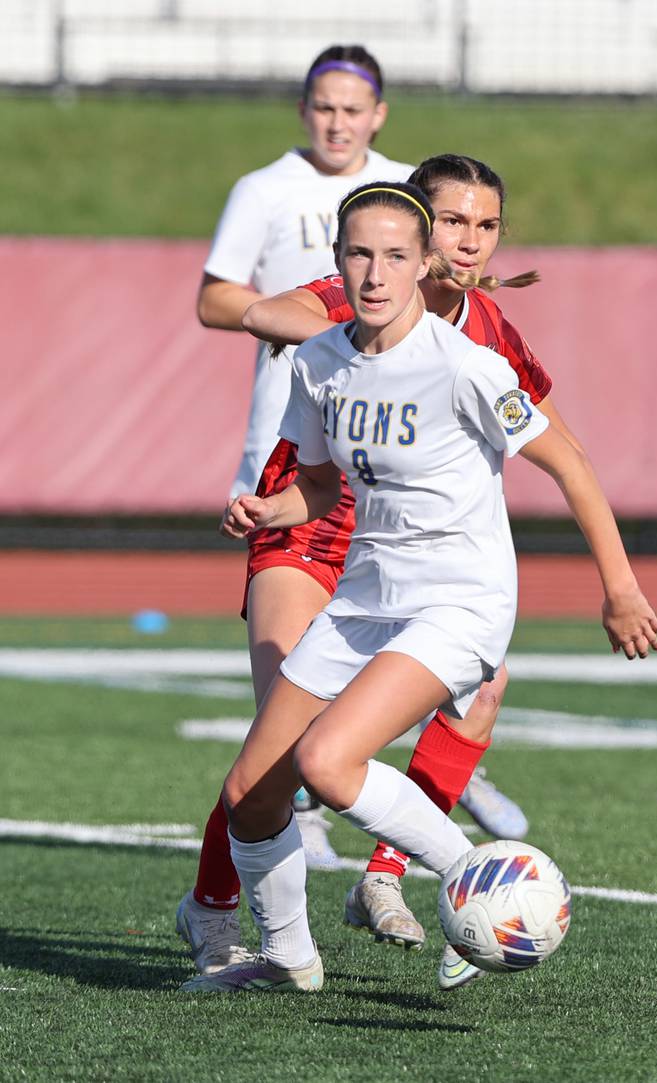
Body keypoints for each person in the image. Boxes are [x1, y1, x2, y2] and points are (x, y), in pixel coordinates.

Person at [181, 181, 657, 994]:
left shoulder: (466, 366)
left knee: (330, 762)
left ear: (424, 263)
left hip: (460, 598)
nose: (375, 273)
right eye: (360, 254)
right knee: (249, 796)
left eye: (395, 256)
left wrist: (619, 587)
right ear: (336, 262)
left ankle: (479, 876)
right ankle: (290, 960)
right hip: (366, 597)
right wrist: (270, 506)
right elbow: (326, 489)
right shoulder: (323, 358)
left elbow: (571, 464)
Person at [175, 44, 414, 971]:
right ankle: (225, 906)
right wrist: (328, 317)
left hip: (389, 482)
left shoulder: (405, 191)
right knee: (284, 726)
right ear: (305, 109)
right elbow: (215, 300)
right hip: (291, 472)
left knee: (467, 687)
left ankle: (385, 870)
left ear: (380, 114)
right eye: (323, 106)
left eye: (353, 108)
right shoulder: (266, 189)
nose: (338, 122)